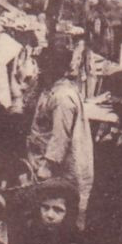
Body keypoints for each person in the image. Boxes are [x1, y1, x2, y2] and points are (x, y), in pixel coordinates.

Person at [26, 43, 95, 226]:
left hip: (61, 166)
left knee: (60, 212)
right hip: (46, 159)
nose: (41, 71)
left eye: (46, 67)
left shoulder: (62, 97)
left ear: (59, 69)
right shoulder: (50, 89)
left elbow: (60, 137)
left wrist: (47, 166)